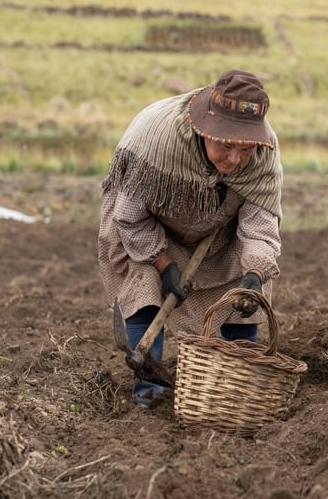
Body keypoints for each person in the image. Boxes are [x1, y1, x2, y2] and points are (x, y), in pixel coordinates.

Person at [98, 70, 282, 407]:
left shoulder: (263, 154)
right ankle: (149, 391)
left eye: (245, 149)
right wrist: (164, 264)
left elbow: (260, 226)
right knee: (145, 286)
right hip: (150, 221)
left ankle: (235, 393)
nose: (235, 158)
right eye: (226, 146)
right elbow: (130, 217)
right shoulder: (156, 142)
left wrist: (254, 276)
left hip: (218, 223)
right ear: (203, 129)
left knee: (243, 295)